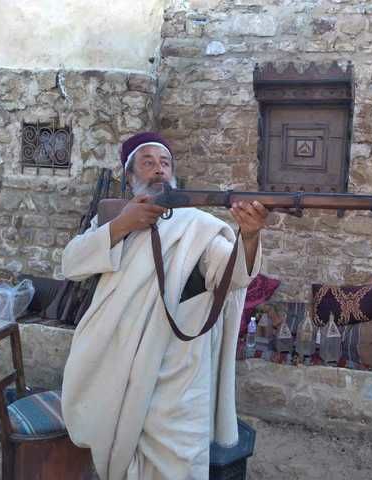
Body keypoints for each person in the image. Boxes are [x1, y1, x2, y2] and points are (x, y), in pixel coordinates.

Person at [60, 132, 268, 480]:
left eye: (165, 163)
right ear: (129, 177)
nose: (159, 169)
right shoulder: (112, 219)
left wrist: (248, 236)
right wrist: (123, 225)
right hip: (114, 357)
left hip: (177, 370)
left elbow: (232, 276)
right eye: (148, 162)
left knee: (180, 460)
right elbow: (72, 264)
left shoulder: (199, 226)